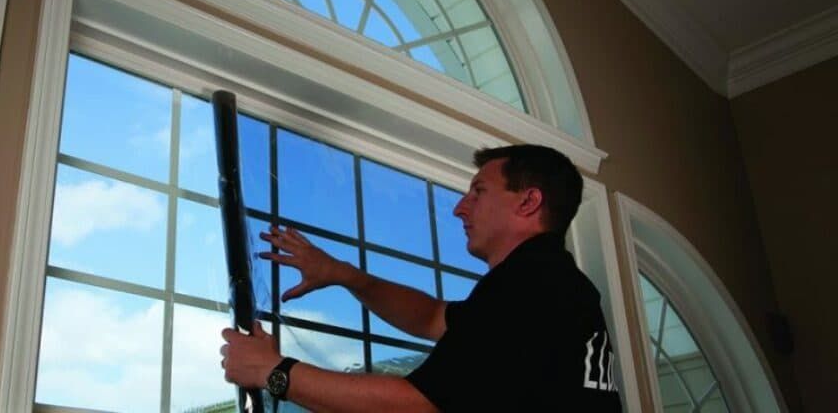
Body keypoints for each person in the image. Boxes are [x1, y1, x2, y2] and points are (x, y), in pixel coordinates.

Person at [220, 144, 623, 412]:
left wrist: (273, 372)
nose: (460, 209)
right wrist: (346, 276)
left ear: (529, 201)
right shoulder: (550, 286)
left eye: (478, 192)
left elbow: (416, 405)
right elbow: (431, 317)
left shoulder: (531, 284)